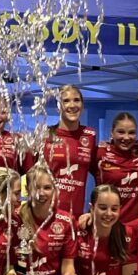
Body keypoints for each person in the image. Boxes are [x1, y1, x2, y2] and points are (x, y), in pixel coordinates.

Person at [4, 163, 79, 275]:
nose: (41, 193)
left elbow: (67, 264)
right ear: (27, 189)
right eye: (36, 187)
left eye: (47, 188)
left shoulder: (67, 221)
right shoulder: (14, 218)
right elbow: (9, 266)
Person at [40, 85, 97, 218]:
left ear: (82, 105)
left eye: (76, 100)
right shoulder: (45, 135)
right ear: (58, 107)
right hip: (46, 215)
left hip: (75, 217)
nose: (72, 105)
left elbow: (101, 172)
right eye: (66, 101)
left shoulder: (89, 135)